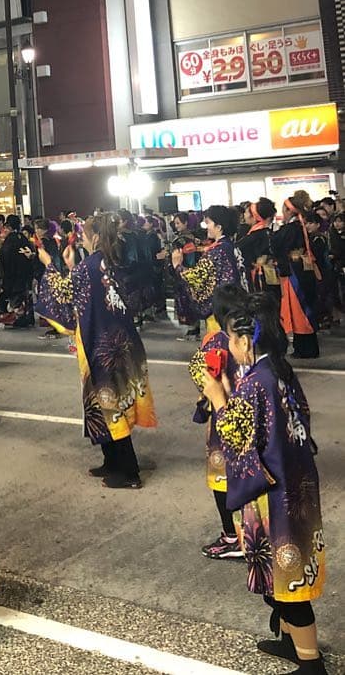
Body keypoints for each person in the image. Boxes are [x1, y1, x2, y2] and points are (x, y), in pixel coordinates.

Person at [201, 291, 327, 675]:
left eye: (231, 339)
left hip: (274, 495)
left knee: (288, 586)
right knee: (283, 577)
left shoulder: (256, 381)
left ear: (245, 341)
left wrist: (219, 400)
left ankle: (311, 664)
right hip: (295, 483)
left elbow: (237, 438)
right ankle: (290, 641)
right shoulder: (277, 370)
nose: (229, 346)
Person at [35, 214, 157, 489]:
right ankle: (111, 461)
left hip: (101, 347)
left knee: (110, 406)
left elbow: (65, 293)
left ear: (96, 237)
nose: (80, 237)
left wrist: (50, 266)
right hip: (121, 342)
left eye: (84, 233)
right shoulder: (112, 262)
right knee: (109, 405)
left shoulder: (88, 267)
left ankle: (129, 471)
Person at [188, 285, 245, 561]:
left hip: (226, 419)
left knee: (222, 477)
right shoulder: (257, 337)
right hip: (254, 419)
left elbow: (201, 376)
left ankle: (232, 537)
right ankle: (254, 533)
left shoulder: (218, 341)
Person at [172, 205, 248, 336]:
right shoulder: (229, 246)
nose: (206, 226)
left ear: (219, 227)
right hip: (234, 303)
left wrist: (178, 266)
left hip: (220, 307)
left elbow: (197, 277)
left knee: (216, 346)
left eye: (208, 223)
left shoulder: (217, 250)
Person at [271, 193, 320, 359]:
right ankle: (304, 347)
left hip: (295, 274)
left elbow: (276, 245)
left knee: (300, 310)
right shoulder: (299, 227)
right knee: (304, 309)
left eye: (284, 209)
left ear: (290, 211)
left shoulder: (290, 229)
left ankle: (306, 349)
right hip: (301, 271)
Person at [0, 214, 34, 328]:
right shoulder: (23, 238)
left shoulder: (9, 240)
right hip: (24, 275)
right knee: (23, 296)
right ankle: (25, 318)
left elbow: (5, 258)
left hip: (11, 275)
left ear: (9, 227)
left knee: (7, 297)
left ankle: (8, 319)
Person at [238, 198, 276, 293]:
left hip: (257, 279)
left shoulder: (255, 236)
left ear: (254, 217)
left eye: (246, 213)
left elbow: (237, 249)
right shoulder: (267, 232)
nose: (244, 216)